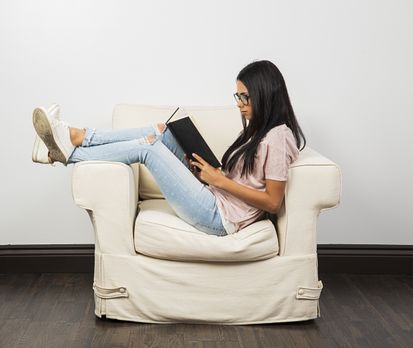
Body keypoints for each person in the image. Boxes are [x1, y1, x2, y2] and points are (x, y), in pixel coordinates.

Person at [31, 60, 306, 237]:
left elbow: (272, 201)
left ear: (265, 94)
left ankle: (68, 149)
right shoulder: (258, 130)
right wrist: (211, 173)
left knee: (148, 150)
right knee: (160, 132)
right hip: (214, 194)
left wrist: (219, 180)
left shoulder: (279, 136)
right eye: (237, 96)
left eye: (244, 96)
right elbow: (245, 178)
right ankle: (77, 137)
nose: (239, 103)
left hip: (220, 217)